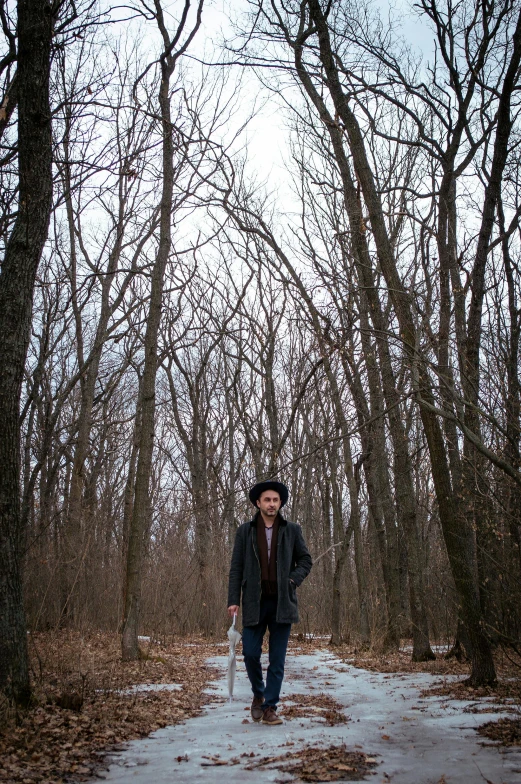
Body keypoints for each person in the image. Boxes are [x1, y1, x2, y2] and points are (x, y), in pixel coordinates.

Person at [227, 480, 312, 726]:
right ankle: (258, 693)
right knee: (250, 653)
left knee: (277, 659)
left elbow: (305, 560)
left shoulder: (292, 530)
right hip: (254, 602)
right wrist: (233, 600)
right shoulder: (245, 531)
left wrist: (293, 581)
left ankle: (270, 707)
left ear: (281, 503)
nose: (272, 504)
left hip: (282, 603)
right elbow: (236, 568)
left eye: (275, 500)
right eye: (267, 500)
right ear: (258, 503)